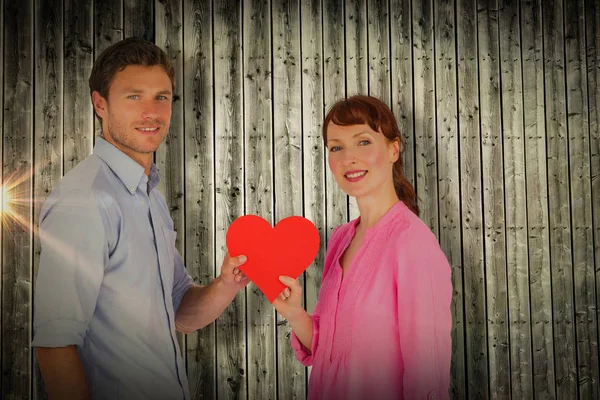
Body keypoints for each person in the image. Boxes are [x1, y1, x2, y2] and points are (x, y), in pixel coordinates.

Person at [32, 37, 249, 400]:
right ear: (100, 103)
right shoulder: (87, 199)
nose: (151, 112)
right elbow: (55, 347)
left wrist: (227, 282)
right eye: (134, 96)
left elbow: (180, 310)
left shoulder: (149, 196)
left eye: (161, 97)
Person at [273, 95, 452, 400]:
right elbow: (328, 350)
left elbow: (427, 376)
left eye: (364, 142)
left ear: (393, 149)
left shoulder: (413, 244)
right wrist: (294, 313)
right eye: (336, 147)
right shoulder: (341, 238)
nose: (348, 158)